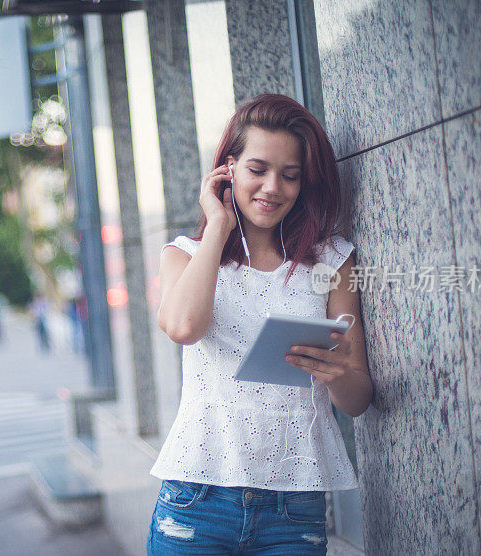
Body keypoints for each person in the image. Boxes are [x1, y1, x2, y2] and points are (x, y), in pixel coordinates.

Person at [146, 94, 373, 555]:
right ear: (227, 170)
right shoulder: (184, 255)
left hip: (294, 509)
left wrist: (337, 374)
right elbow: (183, 327)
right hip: (197, 499)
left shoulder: (333, 261)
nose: (272, 187)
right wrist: (217, 227)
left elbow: (359, 400)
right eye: (257, 170)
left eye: (290, 176)